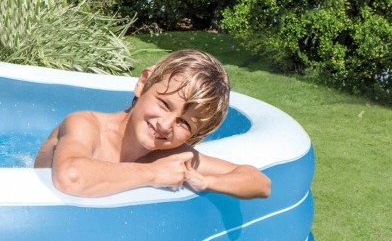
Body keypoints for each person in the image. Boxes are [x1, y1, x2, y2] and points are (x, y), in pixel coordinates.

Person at [34, 49, 271, 199]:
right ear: (143, 83)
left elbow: (260, 182)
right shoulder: (86, 125)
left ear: (196, 135)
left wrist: (207, 181)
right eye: (164, 104)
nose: (166, 125)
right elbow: (71, 177)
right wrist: (154, 173)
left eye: (184, 123)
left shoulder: (171, 155)